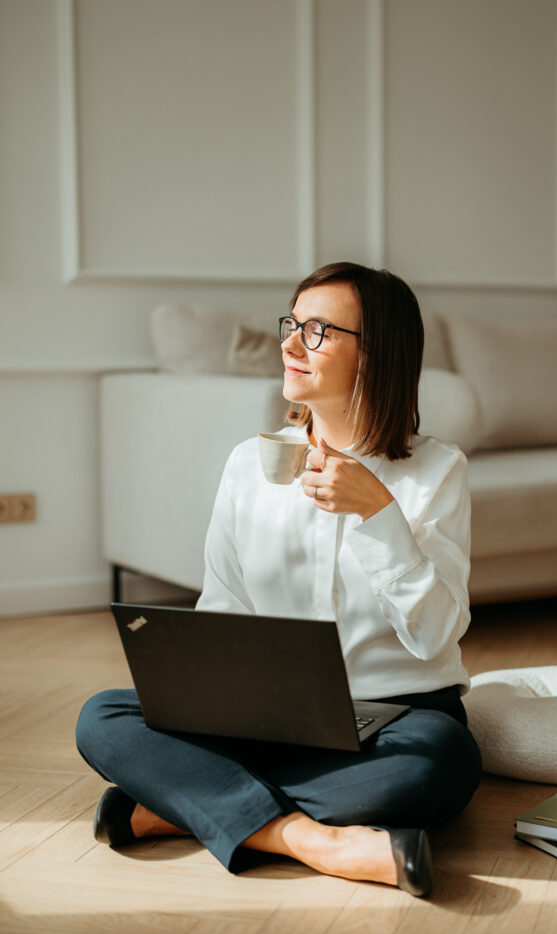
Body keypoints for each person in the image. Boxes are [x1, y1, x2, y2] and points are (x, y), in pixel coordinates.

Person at [76, 262, 481, 898]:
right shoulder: (247, 464)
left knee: (445, 761)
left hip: (395, 717)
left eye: (318, 331)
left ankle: (184, 806)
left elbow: (435, 637)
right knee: (102, 716)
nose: (289, 344)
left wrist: (378, 513)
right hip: (266, 718)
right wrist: (202, 691)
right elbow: (223, 606)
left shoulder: (437, 472)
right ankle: (315, 840)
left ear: (376, 355)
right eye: (292, 323)